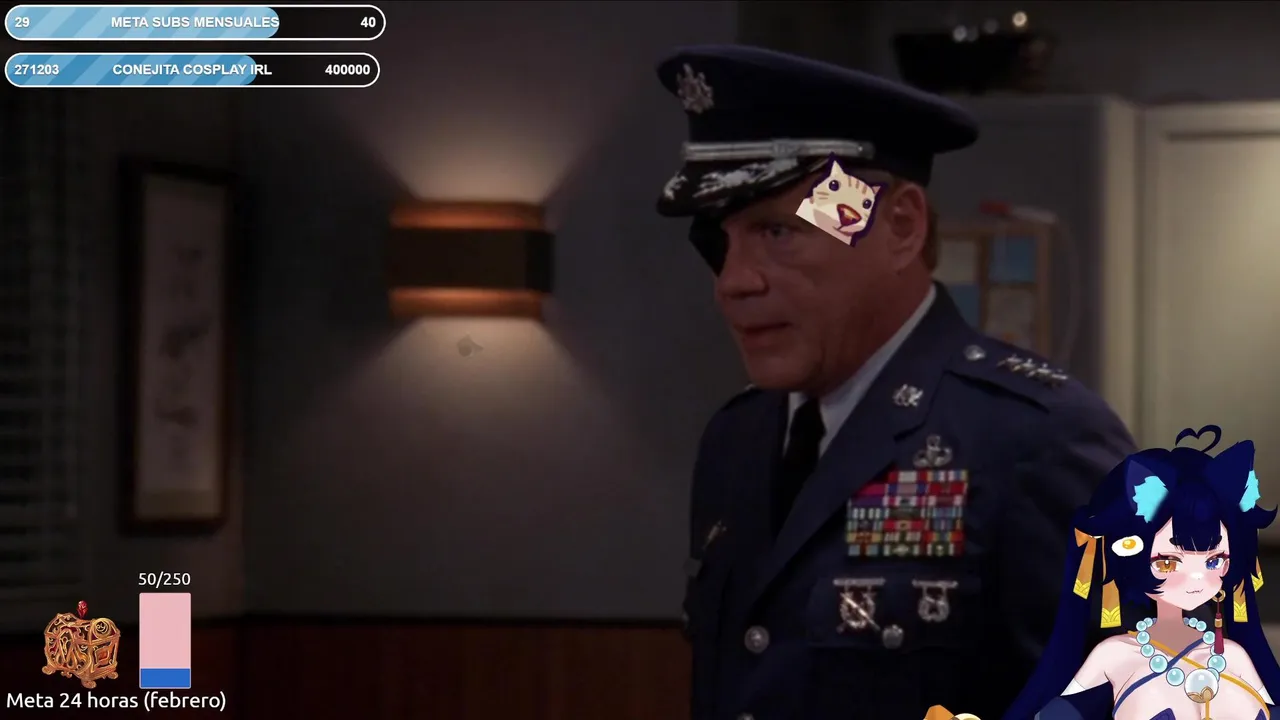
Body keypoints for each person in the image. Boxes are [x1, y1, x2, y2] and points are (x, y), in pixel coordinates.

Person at [656, 45, 1137, 720]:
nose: (734, 281)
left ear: (901, 227)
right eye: (718, 244)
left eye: (777, 231)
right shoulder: (737, 441)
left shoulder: (1033, 440)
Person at [1005, 426, 1280, 720]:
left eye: (1214, 561)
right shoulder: (1114, 656)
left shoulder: (1234, 656)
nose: (1196, 577)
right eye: (1168, 563)